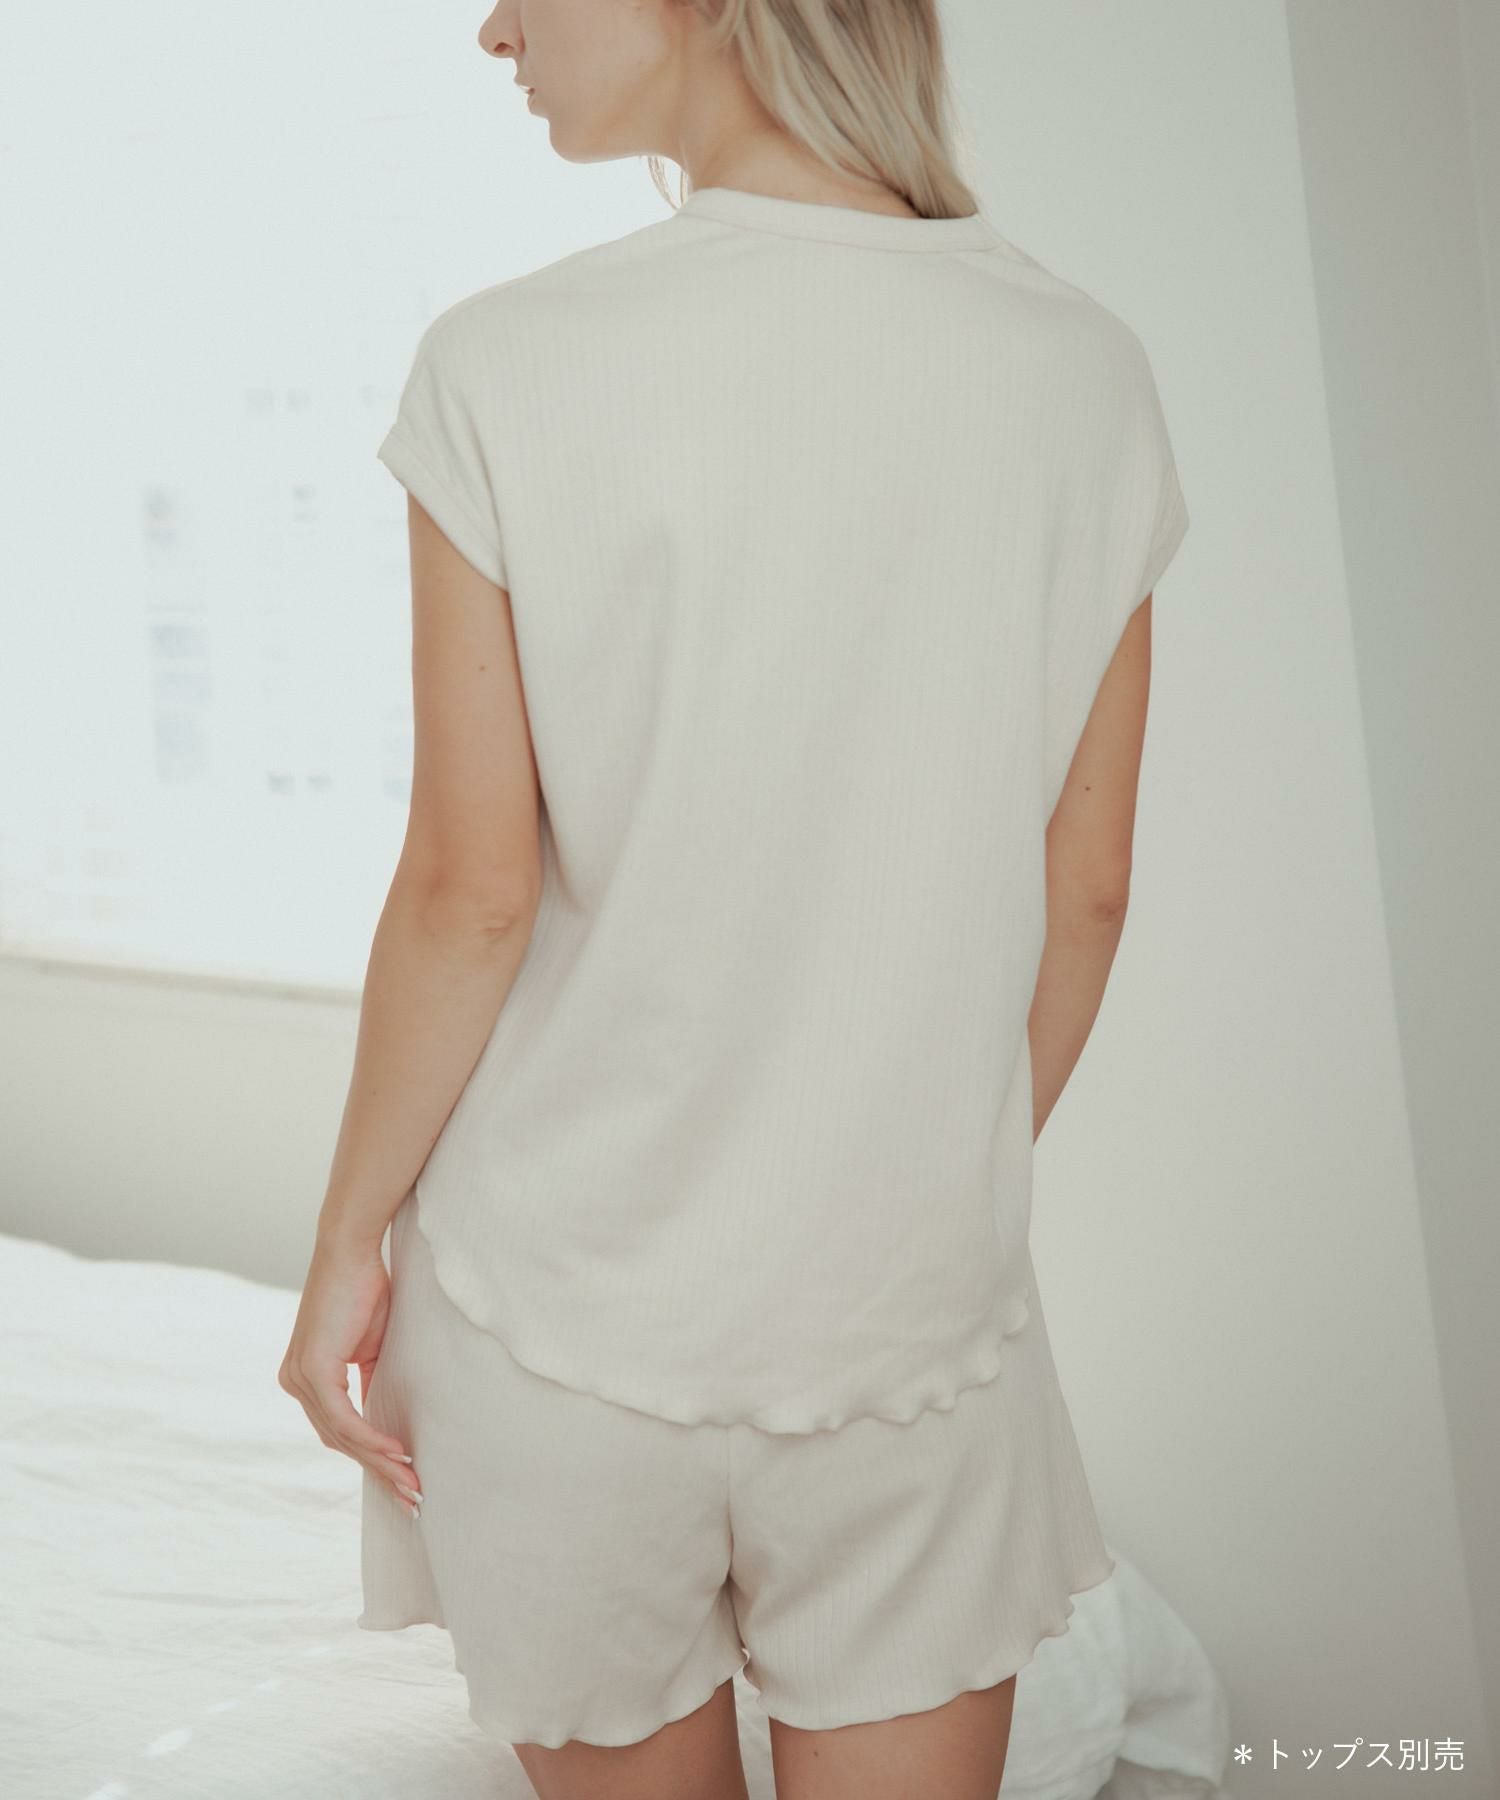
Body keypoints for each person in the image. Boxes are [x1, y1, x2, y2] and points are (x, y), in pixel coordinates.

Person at [278, 1, 1191, 1795]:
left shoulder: (506, 363)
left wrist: (341, 1255)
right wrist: (909, 1181)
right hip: (910, 1328)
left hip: (553, 1326)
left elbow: (471, 891)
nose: (491, 29)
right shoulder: (1084, 369)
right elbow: (1085, 891)